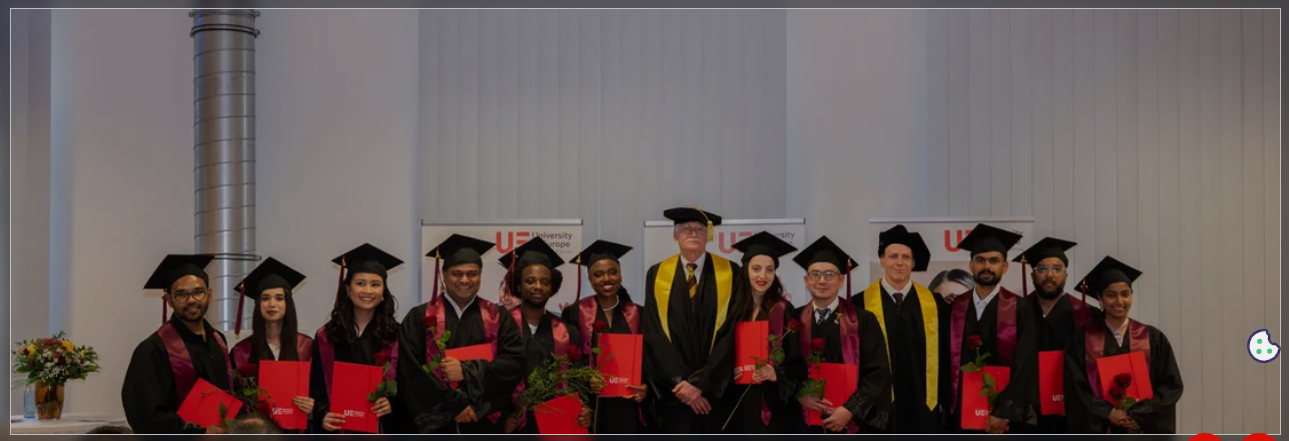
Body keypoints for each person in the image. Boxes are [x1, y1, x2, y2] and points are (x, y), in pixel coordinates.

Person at [398, 234, 525, 434]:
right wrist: (453, 407)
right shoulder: (419, 317)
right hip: (438, 425)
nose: (465, 280)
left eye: (472, 274)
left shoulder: (499, 317)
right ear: (444, 275)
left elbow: (513, 363)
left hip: (483, 422)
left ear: (480, 275)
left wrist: (467, 371)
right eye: (457, 273)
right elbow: (410, 371)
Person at [641, 206, 740, 433]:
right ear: (675, 235)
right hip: (675, 396)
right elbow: (654, 333)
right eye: (686, 228)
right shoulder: (657, 274)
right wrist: (681, 385)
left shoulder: (730, 272)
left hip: (714, 394)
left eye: (699, 229)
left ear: (708, 235)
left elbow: (731, 333)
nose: (694, 233)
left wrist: (700, 384)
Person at [1064, 257, 1182, 434]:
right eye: (1111, 295)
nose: (1119, 301)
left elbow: (1170, 385)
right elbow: (1076, 389)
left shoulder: (1152, 338)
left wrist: (1141, 414)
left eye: (1125, 294)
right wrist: (1108, 413)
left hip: (1142, 429)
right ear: (1100, 298)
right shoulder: (1082, 340)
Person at [788, 236, 891, 434]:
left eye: (829, 274)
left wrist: (850, 410)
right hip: (804, 422)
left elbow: (878, 372)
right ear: (806, 280)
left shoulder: (863, 320)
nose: (822, 281)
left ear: (841, 280)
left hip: (851, 422)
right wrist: (799, 394)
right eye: (815, 274)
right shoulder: (794, 320)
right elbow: (785, 368)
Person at [122, 254, 233, 434]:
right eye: (181, 294)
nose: (191, 300)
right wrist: (200, 432)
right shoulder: (152, 350)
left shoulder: (218, 341)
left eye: (198, 292)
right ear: (169, 300)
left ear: (209, 295)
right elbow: (145, 417)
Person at [944, 224, 1040, 434]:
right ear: (971, 265)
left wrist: (1004, 412)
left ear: (1005, 267)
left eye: (994, 261)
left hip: (1004, 419)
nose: (986, 266)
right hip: (961, 414)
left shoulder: (1020, 308)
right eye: (980, 260)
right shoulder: (955, 307)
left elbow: (1025, 366)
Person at [854, 225, 950, 433]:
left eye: (906, 257)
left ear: (913, 263)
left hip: (923, 406)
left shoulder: (935, 304)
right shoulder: (859, 304)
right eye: (893, 256)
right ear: (882, 260)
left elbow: (945, 356)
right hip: (876, 409)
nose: (899, 262)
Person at [496, 237, 593, 433]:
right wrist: (502, 418)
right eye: (530, 281)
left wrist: (584, 408)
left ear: (552, 288)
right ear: (518, 286)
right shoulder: (501, 327)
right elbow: (492, 377)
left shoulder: (567, 332)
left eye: (545, 282)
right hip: (514, 425)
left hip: (556, 422)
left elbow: (577, 381)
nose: (538, 286)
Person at [310, 243, 404, 433]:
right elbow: (315, 388)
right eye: (360, 283)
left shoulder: (397, 336)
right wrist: (323, 414)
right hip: (339, 429)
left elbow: (409, 385)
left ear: (383, 292)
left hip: (382, 428)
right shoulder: (326, 336)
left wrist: (393, 403)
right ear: (347, 289)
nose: (368, 291)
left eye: (375, 284)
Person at [1013, 237, 1101, 433]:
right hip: (1027, 415)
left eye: (1056, 269)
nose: (1049, 275)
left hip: (1072, 414)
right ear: (1033, 275)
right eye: (1042, 269)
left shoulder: (1087, 315)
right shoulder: (1016, 312)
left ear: (1066, 275)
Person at [561, 239, 649, 434]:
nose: (606, 278)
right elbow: (568, 360)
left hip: (629, 404)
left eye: (612, 272)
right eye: (598, 274)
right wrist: (587, 379)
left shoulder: (638, 313)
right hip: (592, 404)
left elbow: (650, 360)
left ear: (620, 274)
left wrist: (646, 388)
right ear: (590, 279)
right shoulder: (575, 312)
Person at [721, 232, 802, 433]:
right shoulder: (732, 309)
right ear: (746, 270)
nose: (762, 276)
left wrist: (776, 373)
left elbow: (797, 362)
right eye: (756, 269)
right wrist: (728, 372)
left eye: (769, 270)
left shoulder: (783, 310)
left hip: (771, 404)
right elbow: (719, 352)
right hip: (736, 399)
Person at [227, 257, 316, 422]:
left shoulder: (306, 346)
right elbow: (234, 397)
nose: (272, 304)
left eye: (279, 298)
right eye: (265, 298)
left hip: (297, 429)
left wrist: (312, 407)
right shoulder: (242, 351)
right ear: (258, 304)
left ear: (288, 303)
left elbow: (320, 392)